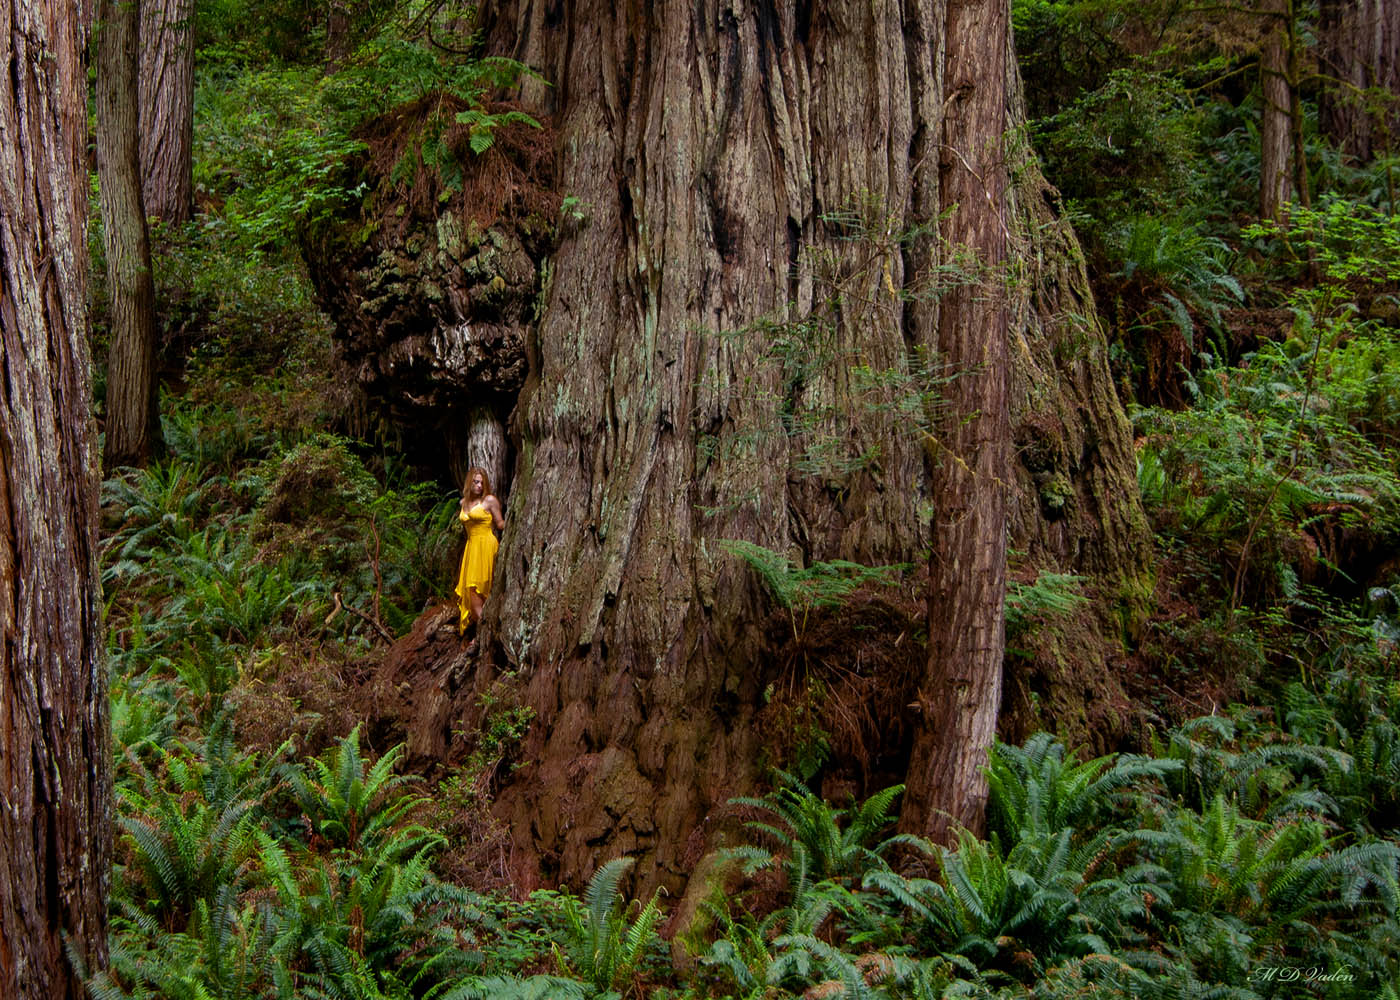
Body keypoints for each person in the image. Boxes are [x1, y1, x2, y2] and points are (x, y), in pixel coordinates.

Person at [454, 466, 504, 640]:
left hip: (486, 546)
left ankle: (488, 637)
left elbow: (500, 524)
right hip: (471, 548)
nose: (479, 486)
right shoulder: (463, 503)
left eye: (482, 483)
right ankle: (483, 634)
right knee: (471, 593)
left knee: (478, 591)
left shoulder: (489, 500)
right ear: (469, 482)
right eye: (476, 482)